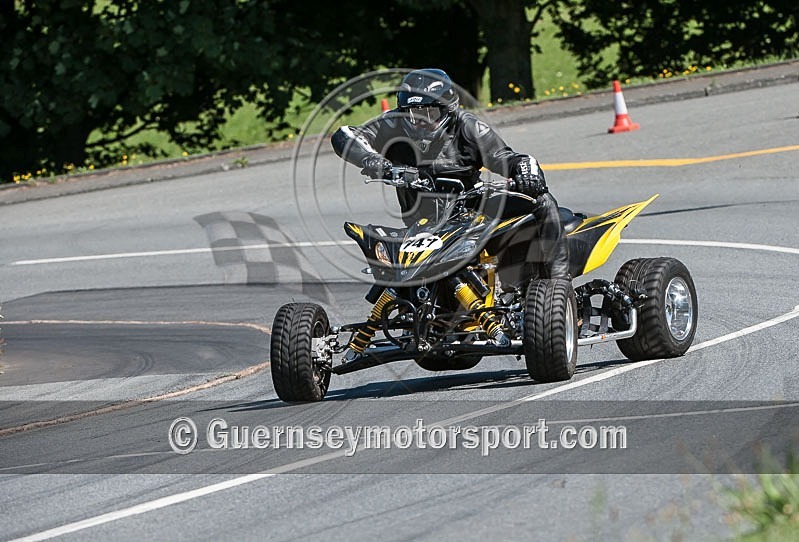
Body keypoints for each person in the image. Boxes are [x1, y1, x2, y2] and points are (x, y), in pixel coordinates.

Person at [331, 68, 570, 280]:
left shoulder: (468, 127)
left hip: (473, 213)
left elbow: (507, 158)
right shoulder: (392, 124)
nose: (419, 122)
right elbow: (345, 135)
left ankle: (559, 282)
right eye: (412, 114)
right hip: (422, 224)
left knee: (542, 201)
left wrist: (527, 170)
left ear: (448, 109)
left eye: (429, 114)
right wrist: (377, 162)